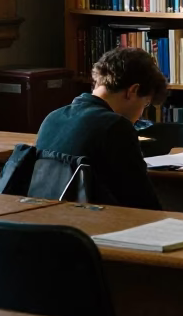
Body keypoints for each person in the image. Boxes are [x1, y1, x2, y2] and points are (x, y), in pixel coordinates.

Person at [36, 47, 165, 210]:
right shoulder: (115, 126)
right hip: (91, 224)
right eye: (145, 104)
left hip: (45, 219)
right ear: (133, 91)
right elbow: (142, 202)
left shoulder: (53, 117)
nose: (140, 115)